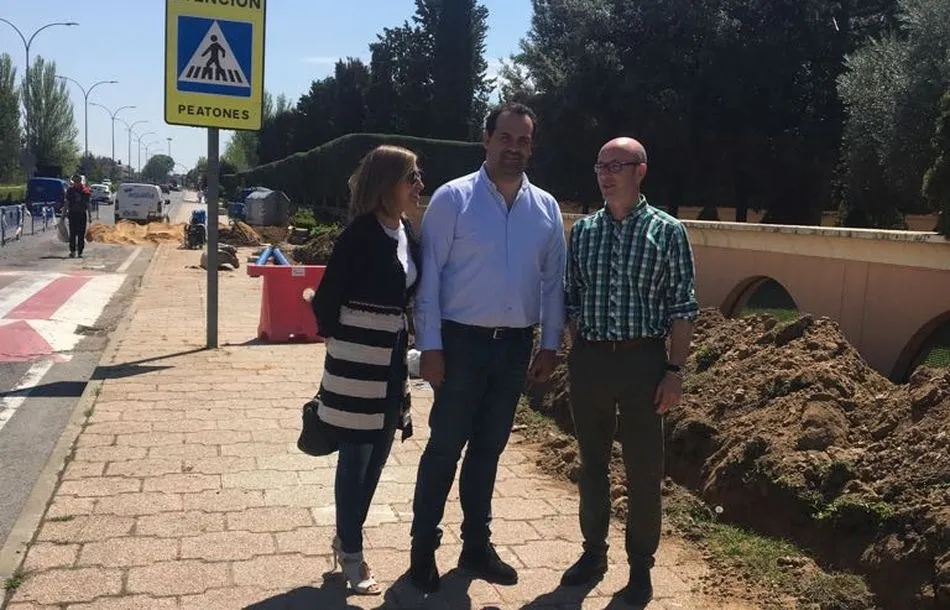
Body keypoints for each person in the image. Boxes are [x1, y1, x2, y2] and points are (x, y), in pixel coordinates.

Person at [409, 102, 566, 592]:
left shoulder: (546, 208)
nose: (514, 148)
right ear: (487, 138)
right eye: (506, 137)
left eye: (523, 141)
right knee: (445, 447)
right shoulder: (453, 200)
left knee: (489, 450)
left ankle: (476, 545)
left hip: (514, 347)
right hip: (459, 346)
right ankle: (422, 549)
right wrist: (430, 345)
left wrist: (550, 344)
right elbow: (428, 279)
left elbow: (553, 282)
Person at [561, 137, 699, 605]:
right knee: (592, 464)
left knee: (644, 470)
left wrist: (674, 371)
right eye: (601, 164)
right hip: (592, 360)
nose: (606, 173)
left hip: (644, 361)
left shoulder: (668, 231)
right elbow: (572, 296)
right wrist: (578, 351)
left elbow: (683, 307)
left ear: (641, 171)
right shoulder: (584, 232)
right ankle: (593, 553)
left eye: (617, 165)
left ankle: (640, 566)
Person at [310, 144, 424, 595]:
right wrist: (345, 343)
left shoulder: (409, 234)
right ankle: (352, 552)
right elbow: (325, 301)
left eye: (418, 176)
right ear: (386, 185)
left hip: (392, 365)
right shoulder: (360, 233)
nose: (419, 185)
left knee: (377, 458)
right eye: (411, 177)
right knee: (354, 460)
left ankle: (345, 537)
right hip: (356, 364)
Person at [64, 174, 92, 258]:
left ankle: (80, 252)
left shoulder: (85, 191)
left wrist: (90, 216)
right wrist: (64, 214)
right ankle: (72, 251)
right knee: (72, 233)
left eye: (77, 181)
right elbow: (67, 203)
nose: (76, 183)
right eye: (75, 181)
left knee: (81, 234)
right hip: (72, 214)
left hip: (81, 214)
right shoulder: (70, 191)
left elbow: (88, 204)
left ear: (80, 182)